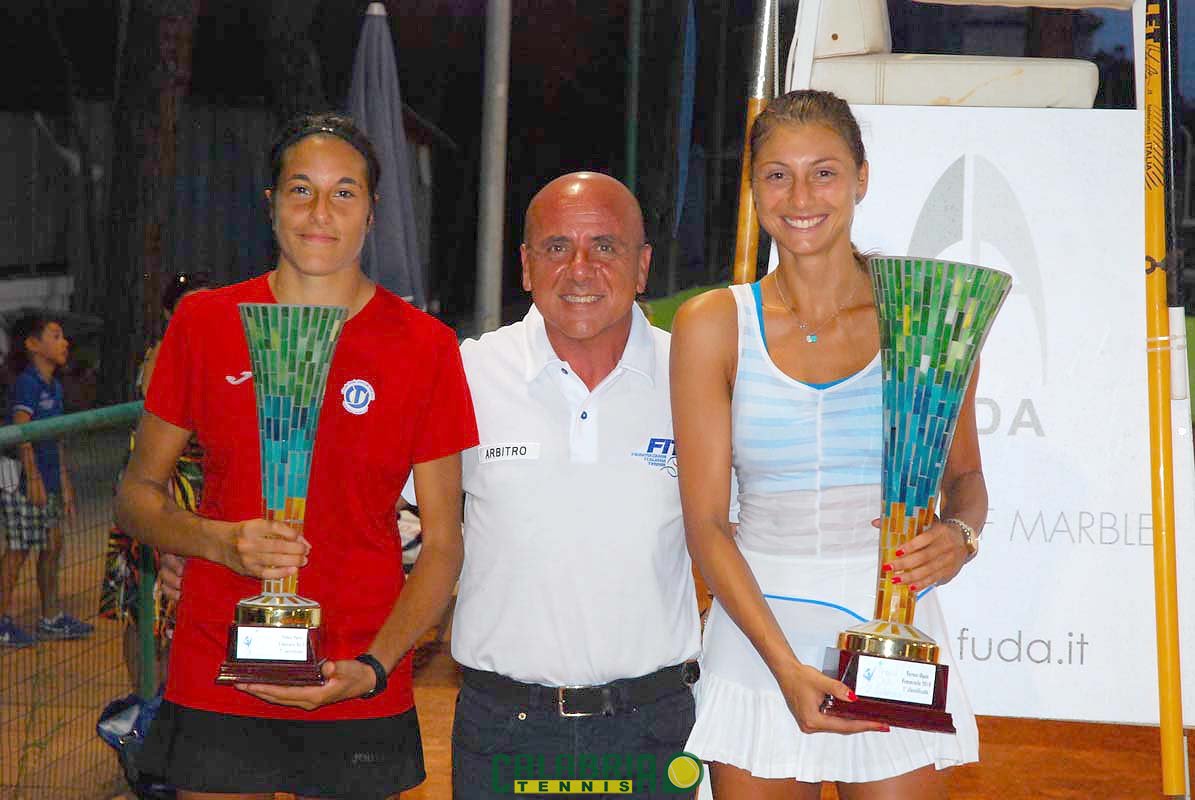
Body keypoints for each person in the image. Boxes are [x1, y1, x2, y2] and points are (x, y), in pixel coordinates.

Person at [114, 111, 478, 800]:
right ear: (271, 203)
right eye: (300, 189)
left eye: (344, 192)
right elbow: (136, 497)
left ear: (371, 210)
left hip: (358, 666)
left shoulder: (424, 345)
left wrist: (374, 666)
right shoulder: (204, 323)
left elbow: (443, 546)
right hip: (219, 664)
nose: (320, 212)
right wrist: (216, 542)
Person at [670, 90, 985, 799]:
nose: (801, 197)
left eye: (824, 173)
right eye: (777, 175)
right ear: (754, 189)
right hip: (758, 642)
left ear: (860, 178)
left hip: (893, 632)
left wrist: (959, 536)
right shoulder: (712, 323)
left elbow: (965, 478)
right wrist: (784, 667)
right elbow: (706, 524)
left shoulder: (924, 314)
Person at [446, 172, 701, 798]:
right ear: (525, 266)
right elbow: (376, 510)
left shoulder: (696, 375)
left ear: (642, 266)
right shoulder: (467, 373)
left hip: (654, 728)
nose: (579, 269)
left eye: (605, 247)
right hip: (503, 729)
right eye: (557, 247)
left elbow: (753, 527)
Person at [101, 272, 214, 689]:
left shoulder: (210, 354)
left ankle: (164, 698)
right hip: (161, 494)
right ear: (170, 313)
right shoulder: (165, 354)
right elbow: (152, 441)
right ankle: (147, 700)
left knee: (173, 610)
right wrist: (162, 512)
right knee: (147, 609)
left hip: (193, 496)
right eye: (191, 305)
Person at [0, 312, 87, 647]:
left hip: (48, 481)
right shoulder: (28, 383)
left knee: (53, 545)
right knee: (19, 549)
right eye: (55, 336)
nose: (64, 342)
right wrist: (33, 476)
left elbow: (56, 438)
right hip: (22, 481)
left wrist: (63, 484)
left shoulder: (55, 385)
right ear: (33, 345)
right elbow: (22, 431)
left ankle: (51, 617)